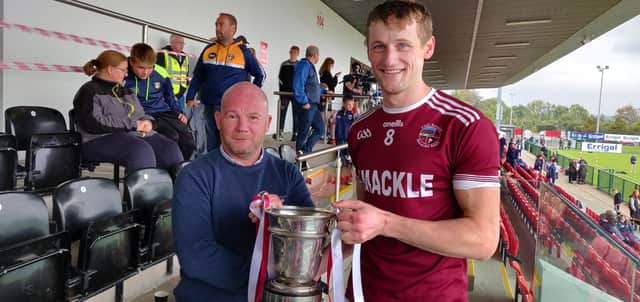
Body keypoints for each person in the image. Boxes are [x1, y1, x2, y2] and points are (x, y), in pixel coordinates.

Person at [333, 2, 501, 301]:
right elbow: (365, 218)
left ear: (428, 47)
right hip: (362, 291)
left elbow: (484, 240)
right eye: (379, 46)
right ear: (368, 50)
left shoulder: (464, 126)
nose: (390, 58)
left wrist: (386, 223)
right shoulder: (360, 130)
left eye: (403, 45)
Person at [172, 82, 314, 301]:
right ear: (218, 120)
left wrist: (282, 216)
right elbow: (196, 256)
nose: (242, 127)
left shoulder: (288, 173)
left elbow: (306, 245)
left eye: (253, 117)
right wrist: (270, 278)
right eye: (232, 116)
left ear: (267, 123)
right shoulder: (193, 177)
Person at [73, 50, 183, 175]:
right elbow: (92, 122)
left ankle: (172, 191)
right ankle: (140, 193)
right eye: (124, 70)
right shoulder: (89, 91)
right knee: (140, 150)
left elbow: (140, 115)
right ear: (110, 69)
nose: (126, 74)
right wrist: (134, 124)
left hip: (131, 135)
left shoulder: (126, 91)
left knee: (169, 148)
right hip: (98, 139)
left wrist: (150, 123)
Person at [185, 13, 264, 152]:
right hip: (209, 105)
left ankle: (229, 170)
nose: (217, 27)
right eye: (216, 24)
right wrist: (190, 97)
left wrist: (249, 98)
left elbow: (259, 75)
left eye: (221, 24)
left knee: (228, 143)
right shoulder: (209, 49)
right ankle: (213, 171)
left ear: (232, 28)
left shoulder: (243, 52)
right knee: (210, 142)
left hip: (232, 108)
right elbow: (198, 75)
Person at [124, 43, 195, 160]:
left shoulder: (161, 72)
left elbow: (170, 96)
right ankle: (161, 170)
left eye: (150, 68)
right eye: (141, 68)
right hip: (141, 114)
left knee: (187, 138)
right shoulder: (123, 71)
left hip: (163, 111)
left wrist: (179, 112)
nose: (145, 72)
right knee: (172, 136)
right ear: (132, 62)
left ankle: (181, 169)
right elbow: (105, 67)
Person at [293, 45, 325, 156]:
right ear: (315, 55)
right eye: (318, 55)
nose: (318, 57)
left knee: (320, 129)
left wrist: (323, 91)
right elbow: (298, 84)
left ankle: (304, 152)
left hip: (313, 105)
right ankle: (299, 160)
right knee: (303, 132)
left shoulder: (310, 66)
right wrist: (304, 101)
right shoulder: (304, 65)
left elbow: (312, 86)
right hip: (307, 104)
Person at [156, 34, 190, 112]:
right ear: (172, 43)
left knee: (181, 119)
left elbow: (186, 74)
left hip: (181, 95)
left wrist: (184, 88)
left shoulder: (185, 56)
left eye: (183, 43)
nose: (182, 45)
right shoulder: (163, 53)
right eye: (179, 43)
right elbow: (158, 74)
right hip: (167, 94)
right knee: (167, 118)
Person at [274, 46, 300, 141]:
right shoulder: (284, 64)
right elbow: (280, 78)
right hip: (285, 92)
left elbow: (301, 80)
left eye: (295, 52)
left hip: (296, 93)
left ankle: (295, 133)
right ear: (289, 52)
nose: (293, 54)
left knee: (296, 114)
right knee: (282, 112)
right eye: (291, 52)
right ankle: (280, 132)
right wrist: (281, 92)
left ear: (298, 53)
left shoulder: (300, 65)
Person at [334, 96, 359, 163]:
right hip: (339, 139)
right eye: (349, 104)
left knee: (349, 159)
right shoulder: (337, 113)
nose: (351, 106)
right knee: (340, 158)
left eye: (352, 104)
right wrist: (332, 117)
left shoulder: (353, 114)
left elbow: (359, 120)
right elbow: (331, 122)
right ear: (343, 104)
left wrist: (357, 112)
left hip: (349, 139)